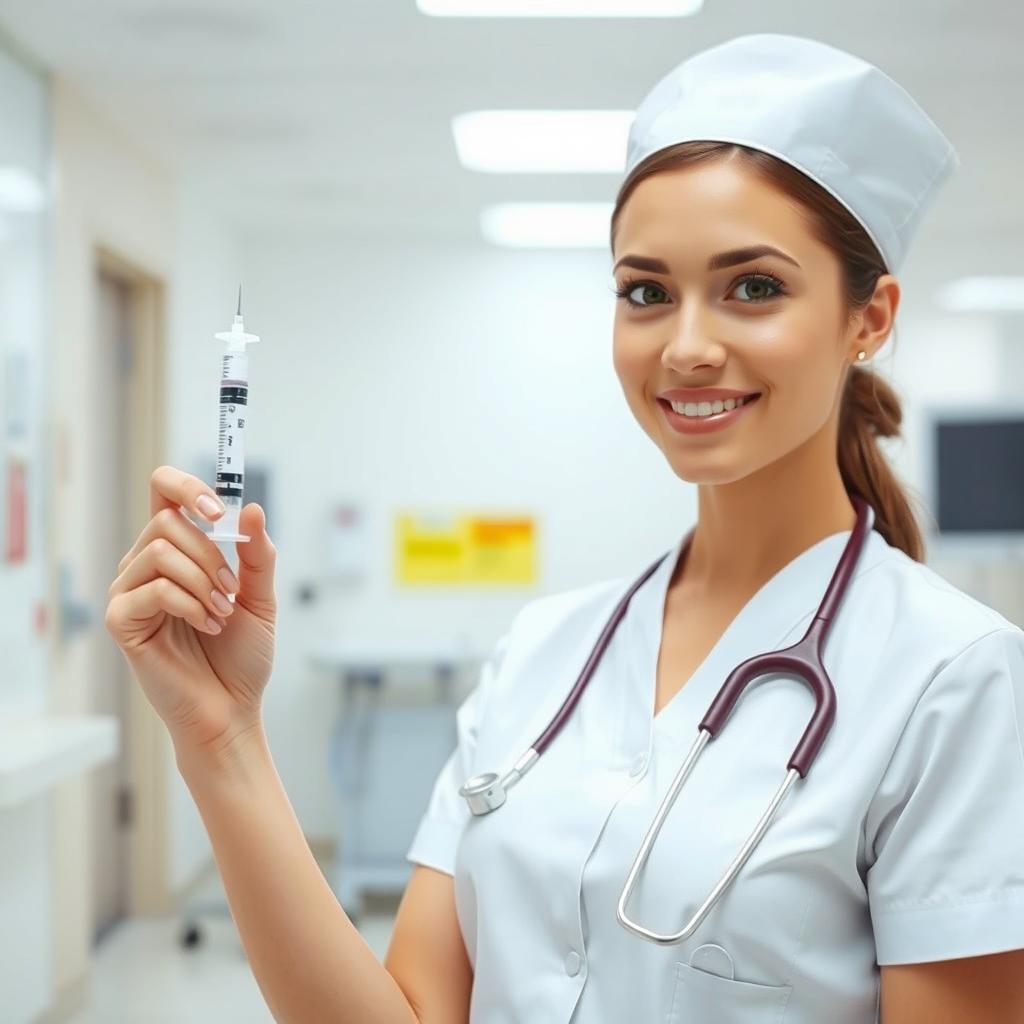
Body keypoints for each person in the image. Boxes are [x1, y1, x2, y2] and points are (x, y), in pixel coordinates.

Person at [105, 33, 1024, 1024]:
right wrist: (221, 734)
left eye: (753, 286)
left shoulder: (956, 679)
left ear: (868, 318)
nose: (686, 346)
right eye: (646, 292)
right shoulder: (545, 652)